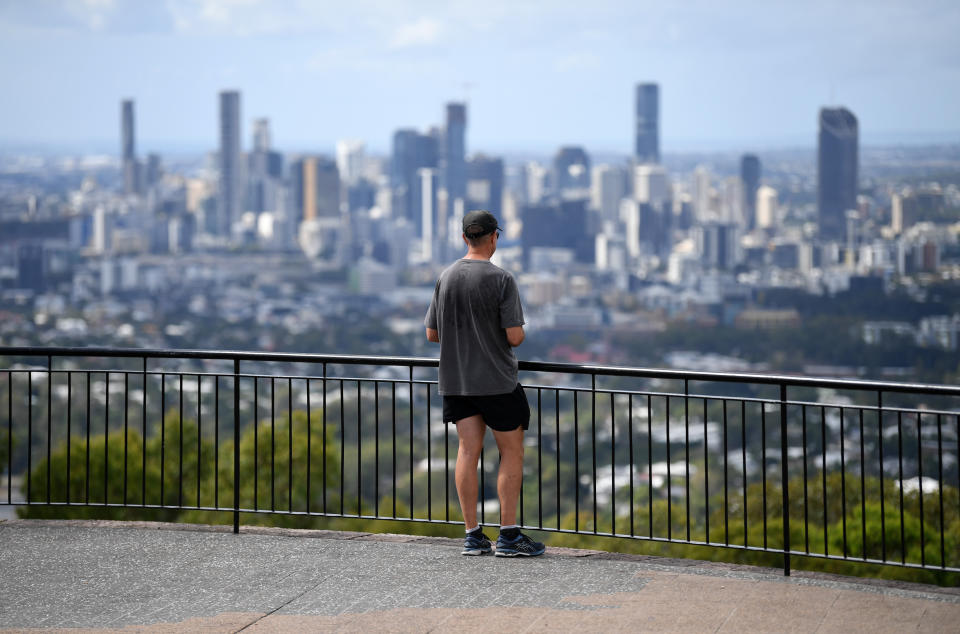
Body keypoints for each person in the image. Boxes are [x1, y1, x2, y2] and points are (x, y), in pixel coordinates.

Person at [424, 209, 545, 557]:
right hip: (496, 381)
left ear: (465, 238)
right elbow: (515, 336)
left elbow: (433, 333)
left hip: (457, 379)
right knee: (511, 452)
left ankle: (473, 535)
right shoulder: (502, 279)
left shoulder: (445, 277)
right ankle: (509, 536)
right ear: (494, 237)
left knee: (467, 452)